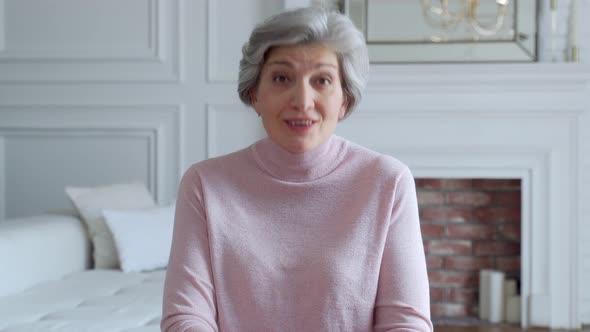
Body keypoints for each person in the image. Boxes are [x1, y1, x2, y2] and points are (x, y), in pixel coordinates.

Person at [161, 6, 433, 332]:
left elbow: (406, 324)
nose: (303, 101)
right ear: (254, 94)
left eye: (322, 80)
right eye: (281, 78)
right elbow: (185, 319)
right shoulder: (204, 185)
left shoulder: (388, 182)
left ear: (344, 100)